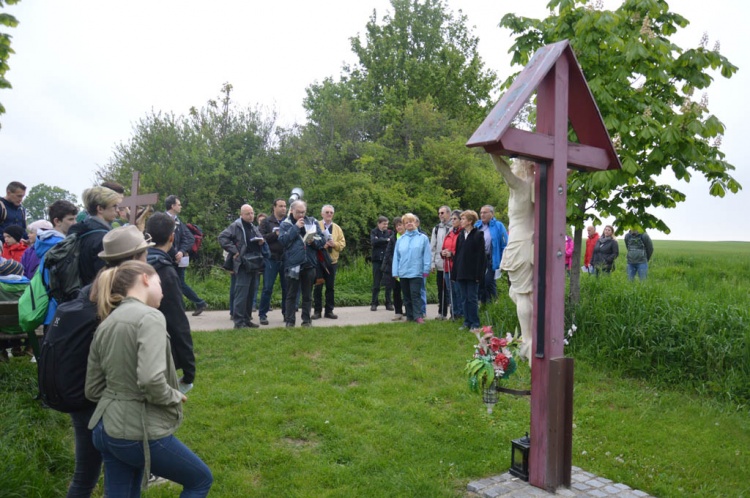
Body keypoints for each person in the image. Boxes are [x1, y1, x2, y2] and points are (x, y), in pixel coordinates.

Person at [86, 260, 213, 496]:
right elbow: (151, 380)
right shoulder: (150, 317)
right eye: (159, 283)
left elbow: (92, 389)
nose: (163, 291)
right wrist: (172, 395)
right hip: (135, 432)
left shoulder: (107, 321)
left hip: (105, 427)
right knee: (200, 479)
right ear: (145, 279)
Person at [54, 225, 153, 498]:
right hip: (108, 398)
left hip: (79, 389)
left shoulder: (91, 288)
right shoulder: (121, 297)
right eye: (145, 254)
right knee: (120, 474)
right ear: (137, 258)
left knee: (85, 474)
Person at [146, 213, 197, 394]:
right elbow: (177, 322)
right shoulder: (166, 273)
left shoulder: (134, 265)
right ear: (172, 237)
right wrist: (189, 368)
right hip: (158, 352)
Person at [492, 155, 535, 361]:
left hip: (520, 243)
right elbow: (566, 171)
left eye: (517, 163)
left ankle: (528, 340)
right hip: (523, 243)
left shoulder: (521, 186)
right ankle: (532, 329)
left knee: (522, 294)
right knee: (515, 292)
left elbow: (503, 170)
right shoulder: (537, 185)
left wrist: (491, 151)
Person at [219, 204, 268, 329]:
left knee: (250, 293)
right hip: (242, 264)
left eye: (252, 213)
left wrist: (261, 241)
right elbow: (222, 237)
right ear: (241, 215)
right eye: (247, 214)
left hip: (254, 263)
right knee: (241, 293)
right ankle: (238, 322)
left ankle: (247, 319)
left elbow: (259, 239)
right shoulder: (236, 226)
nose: (251, 216)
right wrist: (234, 250)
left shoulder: (252, 227)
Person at [278, 200, 325, 327]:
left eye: (303, 212)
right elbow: (283, 241)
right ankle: (290, 321)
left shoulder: (312, 221)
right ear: (292, 210)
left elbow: (322, 240)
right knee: (291, 294)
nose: (301, 215)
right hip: (293, 264)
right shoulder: (286, 224)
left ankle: (306, 321)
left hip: (309, 263)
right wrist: (296, 227)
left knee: (307, 295)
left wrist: (312, 242)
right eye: (298, 212)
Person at [68, 186, 122, 288]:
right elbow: (105, 278)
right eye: (114, 206)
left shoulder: (80, 231)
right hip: (96, 296)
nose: (118, 210)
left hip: (79, 294)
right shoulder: (103, 238)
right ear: (100, 209)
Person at [165, 195, 208, 316]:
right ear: (172, 206)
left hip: (179, 259)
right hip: (166, 258)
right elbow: (162, 239)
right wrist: (174, 253)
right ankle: (197, 303)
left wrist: (181, 251)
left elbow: (189, 238)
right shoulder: (162, 220)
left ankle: (191, 305)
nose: (180, 206)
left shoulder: (178, 222)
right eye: (178, 204)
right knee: (172, 284)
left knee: (178, 283)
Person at [392, 213, 431, 324]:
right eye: (406, 222)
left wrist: (426, 270)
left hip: (417, 272)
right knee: (406, 296)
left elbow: (426, 255)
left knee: (415, 294)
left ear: (416, 223)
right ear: (404, 225)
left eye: (411, 221)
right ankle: (409, 316)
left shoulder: (422, 238)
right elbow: (396, 257)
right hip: (403, 272)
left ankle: (418, 316)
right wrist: (395, 271)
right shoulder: (400, 240)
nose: (409, 224)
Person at [453, 210, 485, 331]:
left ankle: (475, 323)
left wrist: (479, 275)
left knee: (472, 298)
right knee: (464, 298)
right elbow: (457, 255)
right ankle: (467, 321)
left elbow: (481, 257)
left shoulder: (478, 235)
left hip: (472, 273)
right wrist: (455, 272)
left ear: (470, 221)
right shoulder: (461, 235)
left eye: (463, 219)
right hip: (461, 272)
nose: (461, 221)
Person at [258, 198, 288, 325]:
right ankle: (263, 314)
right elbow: (260, 238)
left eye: (285, 206)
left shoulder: (288, 221)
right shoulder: (266, 222)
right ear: (274, 207)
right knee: (267, 288)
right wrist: (275, 234)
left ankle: (287, 314)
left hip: (286, 258)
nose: (283, 208)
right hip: (271, 258)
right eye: (280, 206)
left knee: (286, 288)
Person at [313, 204, 346, 320]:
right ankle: (317, 311)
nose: (329, 214)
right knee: (318, 286)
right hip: (319, 261)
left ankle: (329, 311)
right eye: (327, 212)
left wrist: (334, 244)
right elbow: (311, 240)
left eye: (331, 212)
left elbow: (342, 244)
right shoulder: (316, 225)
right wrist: (323, 245)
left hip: (332, 262)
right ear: (322, 214)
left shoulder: (337, 228)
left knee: (330, 287)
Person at [475, 205, 508, 304]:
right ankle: (484, 304)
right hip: (479, 259)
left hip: (491, 258)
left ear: (492, 214)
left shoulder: (498, 226)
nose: (482, 214)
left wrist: (503, 260)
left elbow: (504, 244)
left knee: (489, 281)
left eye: (485, 212)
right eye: (481, 212)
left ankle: (493, 303)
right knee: (480, 282)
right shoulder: (477, 226)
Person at [440, 210, 464, 321]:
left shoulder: (463, 233)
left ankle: (461, 314)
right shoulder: (449, 234)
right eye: (452, 219)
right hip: (447, 267)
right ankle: (454, 313)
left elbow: (462, 251)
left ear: (461, 220)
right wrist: (443, 253)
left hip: (458, 267)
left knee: (459, 291)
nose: (452, 221)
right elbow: (443, 248)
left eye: (455, 219)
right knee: (451, 291)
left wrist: (452, 254)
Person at [381, 217, 404, 320]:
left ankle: (410, 311)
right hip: (395, 269)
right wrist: (392, 263)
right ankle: (398, 312)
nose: (399, 227)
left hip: (407, 268)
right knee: (396, 291)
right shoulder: (393, 238)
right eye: (397, 225)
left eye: (400, 225)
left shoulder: (408, 236)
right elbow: (389, 252)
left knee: (407, 292)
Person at [430, 205, 452, 320]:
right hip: (440, 264)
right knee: (441, 289)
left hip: (452, 264)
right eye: (439, 213)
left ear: (449, 213)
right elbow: (432, 247)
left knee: (451, 289)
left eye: (442, 213)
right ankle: (441, 313)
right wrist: (432, 263)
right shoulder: (437, 228)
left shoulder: (454, 227)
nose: (440, 215)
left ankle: (454, 313)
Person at [370, 216, 393, 311]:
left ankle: (388, 303)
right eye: (384, 224)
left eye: (387, 224)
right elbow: (374, 241)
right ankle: (374, 303)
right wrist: (385, 240)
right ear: (378, 223)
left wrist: (381, 240)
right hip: (377, 260)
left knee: (388, 283)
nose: (386, 226)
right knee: (376, 282)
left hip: (387, 261)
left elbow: (391, 242)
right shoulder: (374, 232)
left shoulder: (390, 232)